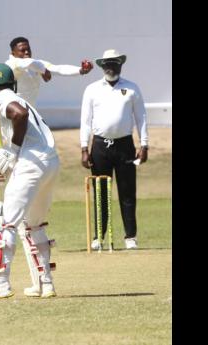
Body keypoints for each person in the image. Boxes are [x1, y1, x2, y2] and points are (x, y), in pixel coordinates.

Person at [0, 63, 60, 299]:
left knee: (5, 222)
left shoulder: (1, 99)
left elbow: (17, 114)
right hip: (50, 162)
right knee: (34, 224)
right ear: (13, 83)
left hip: (31, 163)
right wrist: (4, 160)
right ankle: (45, 283)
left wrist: (12, 151)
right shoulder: (21, 98)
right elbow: (16, 125)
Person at [80, 49, 149, 250]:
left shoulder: (132, 88)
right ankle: (98, 237)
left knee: (127, 191)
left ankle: (130, 237)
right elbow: (85, 121)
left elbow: (141, 117)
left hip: (126, 145)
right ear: (102, 66)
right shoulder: (92, 89)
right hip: (100, 146)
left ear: (121, 64)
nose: (111, 66)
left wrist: (144, 145)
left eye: (115, 63)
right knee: (100, 192)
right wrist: (84, 148)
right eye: (107, 63)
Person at [5, 36, 93, 107]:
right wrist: (43, 70)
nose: (27, 52)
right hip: (12, 112)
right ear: (13, 53)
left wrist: (80, 70)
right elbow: (26, 63)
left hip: (30, 111)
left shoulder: (36, 64)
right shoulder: (10, 64)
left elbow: (58, 69)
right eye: (22, 50)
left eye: (28, 49)